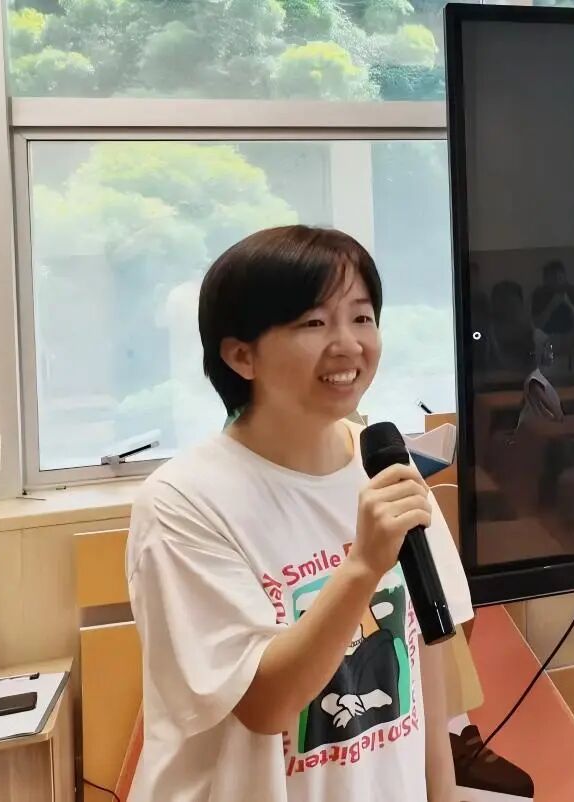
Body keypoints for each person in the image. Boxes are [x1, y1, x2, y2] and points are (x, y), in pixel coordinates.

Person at [125, 225, 474, 801]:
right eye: (314, 323)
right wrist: (362, 567)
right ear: (241, 355)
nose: (348, 344)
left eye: (361, 317)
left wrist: (443, 792)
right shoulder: (182, 503)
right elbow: (265, 705)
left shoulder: (385, 465)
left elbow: (425, 663)